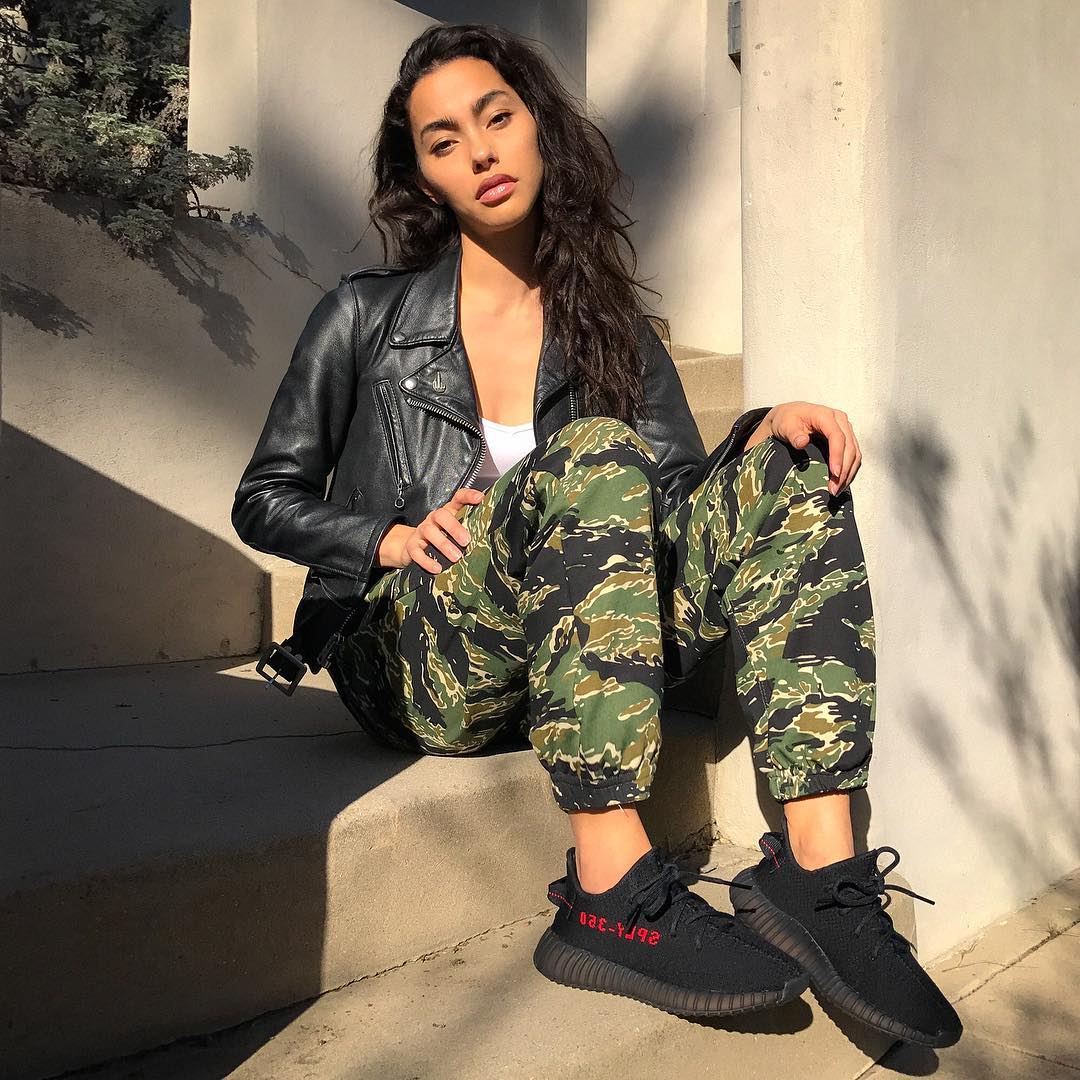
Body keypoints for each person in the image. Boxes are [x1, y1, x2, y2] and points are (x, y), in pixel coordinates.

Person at [232, 22, 960, 1046]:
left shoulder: (606, 324)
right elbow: (264, 496)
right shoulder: (365, 317)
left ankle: (819, 872)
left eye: (496, 117)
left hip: (565, 662)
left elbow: (674, 498)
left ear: (538, 126)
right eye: (444, 142)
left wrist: (757, 437)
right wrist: (387, 538)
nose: (479, 152)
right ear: (424, 177)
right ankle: (608, 888)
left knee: (791, 466)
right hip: (417, 653)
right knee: (593, 450)